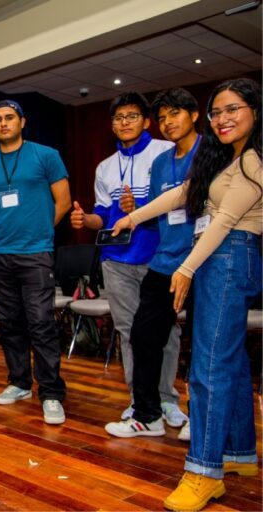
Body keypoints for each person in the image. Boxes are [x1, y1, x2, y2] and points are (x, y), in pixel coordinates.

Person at [113, 78, 262, 511]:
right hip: (221, 256)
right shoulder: (224, 157)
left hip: (229, 254)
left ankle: (203, 472)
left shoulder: (253, 160)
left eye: (232, 109)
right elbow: (184, 193)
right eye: (217, 112)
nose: (223, 119)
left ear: (254, 110)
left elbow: (224, 219)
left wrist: (185, 267)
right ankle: (239, 454)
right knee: (230, 364)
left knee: (209, 367)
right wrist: (132, 219)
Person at [70, 92, 175, 419]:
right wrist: (88, 220)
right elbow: (103, 213)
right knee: (128, 331)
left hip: (159, 256)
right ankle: (140, 399)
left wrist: (139, 209)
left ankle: (167, 399)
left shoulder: (166, 152)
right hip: (115, 260)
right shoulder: (105, 167)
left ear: (146, 121)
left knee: (165, 332)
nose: (124, 123)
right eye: (118, 118)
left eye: (131, 116)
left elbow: (179, 202)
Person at [102, 88, 198, 439]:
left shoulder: (194, 151)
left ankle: (183, 409)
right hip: (151, 258)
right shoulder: (151, 163)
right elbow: (165, 203)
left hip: (195, 257)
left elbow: (186, 197)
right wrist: (122, 217)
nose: (168, 123)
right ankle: (146, 409)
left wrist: (136, 214)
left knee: (188, 338)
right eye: (163, 117)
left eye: (175, 114)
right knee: (139, 334)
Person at [0, 99, 72, 425]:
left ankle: (51, 392)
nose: (3, 123)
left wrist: (42, 232)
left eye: (9, 118)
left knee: (41, 322)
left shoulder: (46, 155)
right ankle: (19, 381)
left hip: (35, 253)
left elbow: (63, 201)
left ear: (22, 121)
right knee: (10, 323)